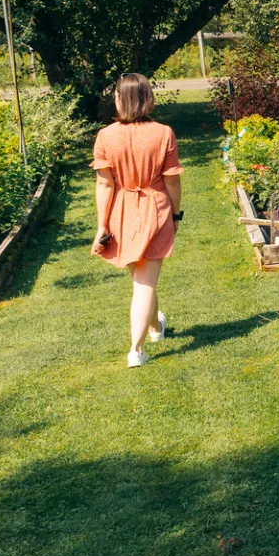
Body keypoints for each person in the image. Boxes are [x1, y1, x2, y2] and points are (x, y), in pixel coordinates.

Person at [91, 73, 184, 368]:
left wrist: (103, 225)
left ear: (119, 99)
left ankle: (156, 327)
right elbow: (172, 183)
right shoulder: (163, 133)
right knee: (144, 284)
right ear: (147, 98)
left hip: (122, 213)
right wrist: (176, 214)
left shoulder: (106, 136)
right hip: (155, 210)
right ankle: (136, 350)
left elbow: (105, 185)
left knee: (142, 276)